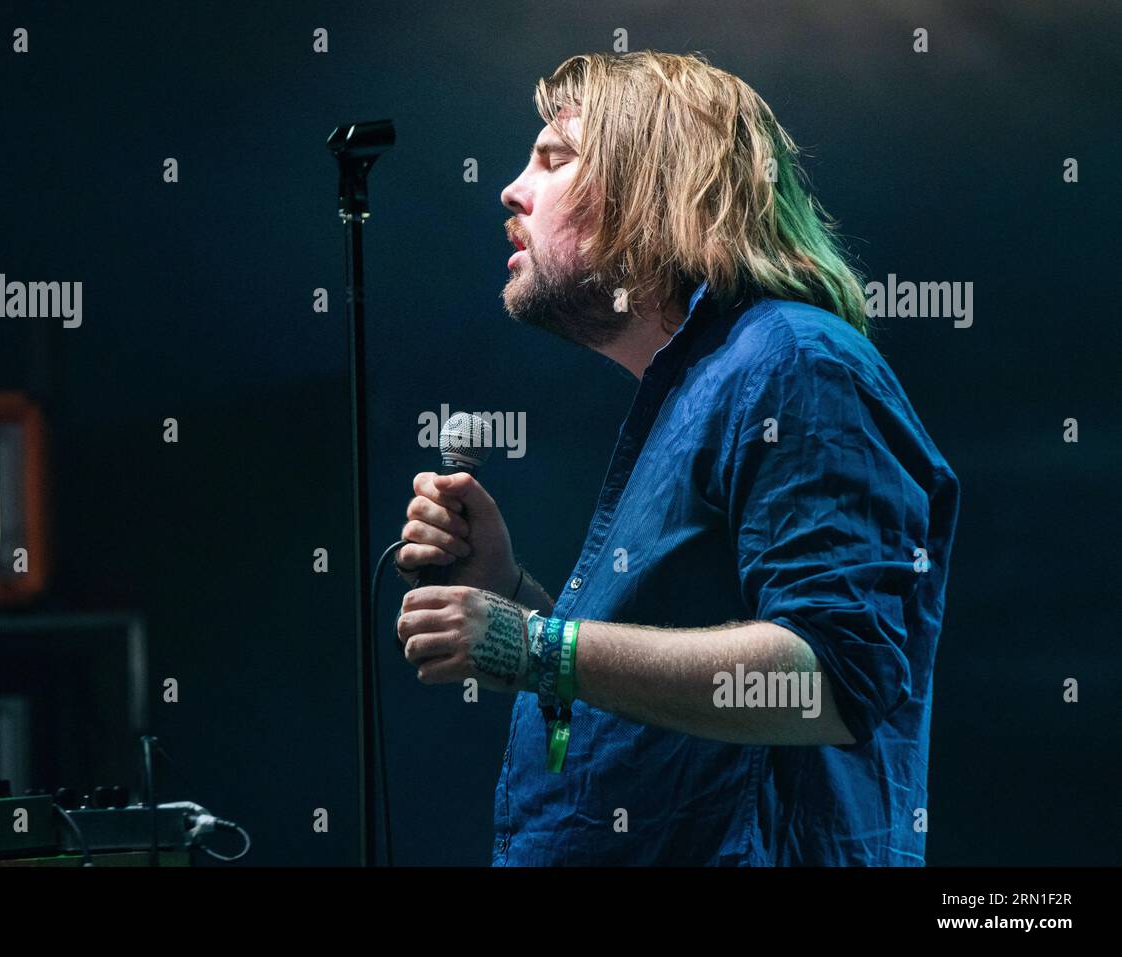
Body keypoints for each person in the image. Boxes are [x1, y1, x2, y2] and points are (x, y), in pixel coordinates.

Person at [394, 51, 959, 865]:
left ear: (652, 184)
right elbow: (647, 716)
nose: (513, 189)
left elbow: (831, 678)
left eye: (554, 157)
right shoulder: (698, 390)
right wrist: (510, 595)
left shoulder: (798, 361)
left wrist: (539, 644)